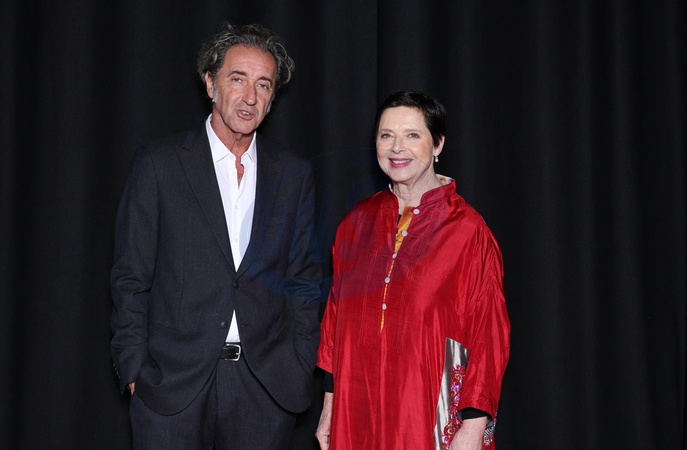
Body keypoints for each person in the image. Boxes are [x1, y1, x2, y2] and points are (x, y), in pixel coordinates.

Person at [110, 22, 322, 449]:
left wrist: (299, 363)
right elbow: (130, 277)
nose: (250, 97)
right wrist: (135, 369)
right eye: (237, 79)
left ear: (272, 98)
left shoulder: (293, 174)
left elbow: (302, 280)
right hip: (172, 387)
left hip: (265, 389)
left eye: (264, 85)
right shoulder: (159, 165)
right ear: (210, 84)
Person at [315, 91, 510, 450]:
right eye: (386, 135)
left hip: (427, 419)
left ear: (438, 144)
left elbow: (490, 337)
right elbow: (334, 324)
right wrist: (329, 407)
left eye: (412, 135)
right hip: (356, 415)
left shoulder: (468, 232)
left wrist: (473, 426)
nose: (396, 147)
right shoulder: (355, 225)